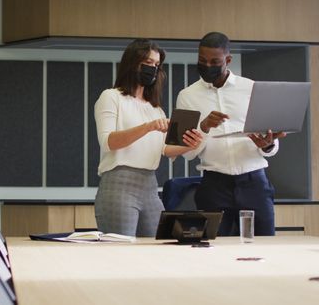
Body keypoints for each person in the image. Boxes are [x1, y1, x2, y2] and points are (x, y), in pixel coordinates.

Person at [176, 32, 286, 236]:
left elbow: (271, 142)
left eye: (214, 61)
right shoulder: (186, 96)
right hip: (213, 185)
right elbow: (186, 153)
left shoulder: (252, 88)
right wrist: (204, 126)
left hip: (254, 182)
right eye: (202, 60)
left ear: (228, 60)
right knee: (214, 251)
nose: (207, 65)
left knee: (264, 248)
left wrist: (267, 145)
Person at [94, 38, 203, 237]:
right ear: (132, 63)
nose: (152, 68)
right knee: (121, 249)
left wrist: (190, 144)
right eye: (147, 63)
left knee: (158, 244)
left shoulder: (156, 109)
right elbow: (108, 141)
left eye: (156, 64)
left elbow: (165, 149)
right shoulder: (111, 97)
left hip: (150, 185)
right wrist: (148, 127)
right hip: (119, 183)